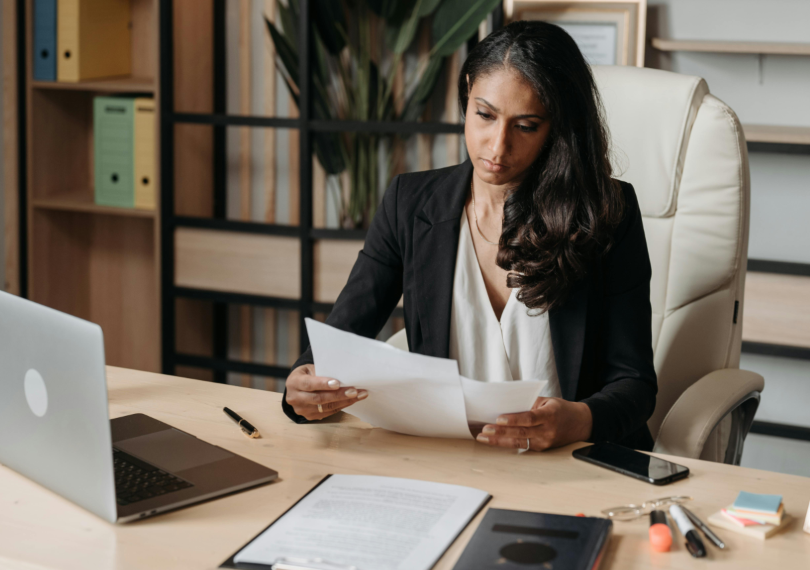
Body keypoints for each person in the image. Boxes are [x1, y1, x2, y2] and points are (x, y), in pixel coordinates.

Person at [282, 20, 658, 452]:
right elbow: (341, 337)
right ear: (466, 94)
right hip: (451, 456)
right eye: (485, 115)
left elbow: (635, 384)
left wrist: (577, 421)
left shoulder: (606, 213)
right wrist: (304, 384)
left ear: (558, 126)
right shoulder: (410, 204)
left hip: (571, 459)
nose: (497, 147)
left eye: (526, 125)